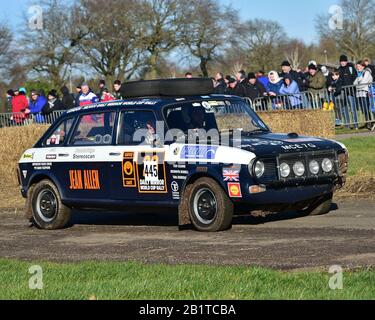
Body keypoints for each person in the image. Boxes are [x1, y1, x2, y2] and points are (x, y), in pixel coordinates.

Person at [354, 60, 373, 126]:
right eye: (357, 66)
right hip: (359, 94)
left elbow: (363, 84)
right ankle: (368, 122)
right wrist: (358, 86)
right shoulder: (359, 74)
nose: (357, 67)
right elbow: (354, 84)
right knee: (363, 110)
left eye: (358, 66)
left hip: (366, 93)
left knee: (366, 108)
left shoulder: (366, 73)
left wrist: (358, 86)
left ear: (363, 66)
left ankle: (370, 122)